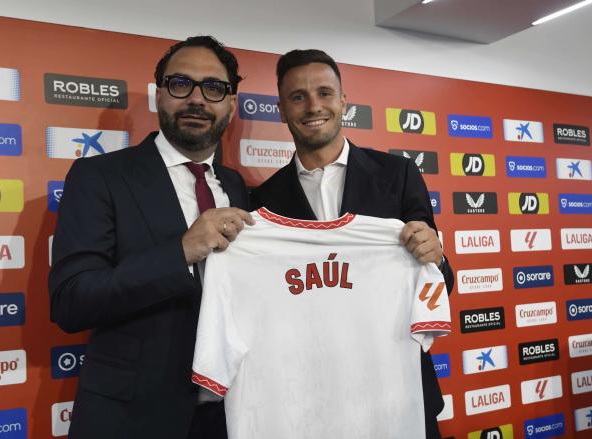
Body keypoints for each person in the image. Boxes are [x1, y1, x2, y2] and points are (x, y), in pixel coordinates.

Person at [49, 35, 253, 439]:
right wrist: (181, 252)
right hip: (133, 418)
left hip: (233, 413)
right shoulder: (99, 177)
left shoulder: (238, 186)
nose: (197, 99)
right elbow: (71, 301)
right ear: (159, 95)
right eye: (181, 84)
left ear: (230, 103)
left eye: (213, 88)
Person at [250, 49, 454, 439]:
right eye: (298, 97)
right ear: (281, 109)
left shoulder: (398, 175)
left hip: (398, 392)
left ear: (344, 101)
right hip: (307, 401)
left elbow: (439, 284)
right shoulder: (261, 203)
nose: (313, 106)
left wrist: (436, 257)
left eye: (325, 93)